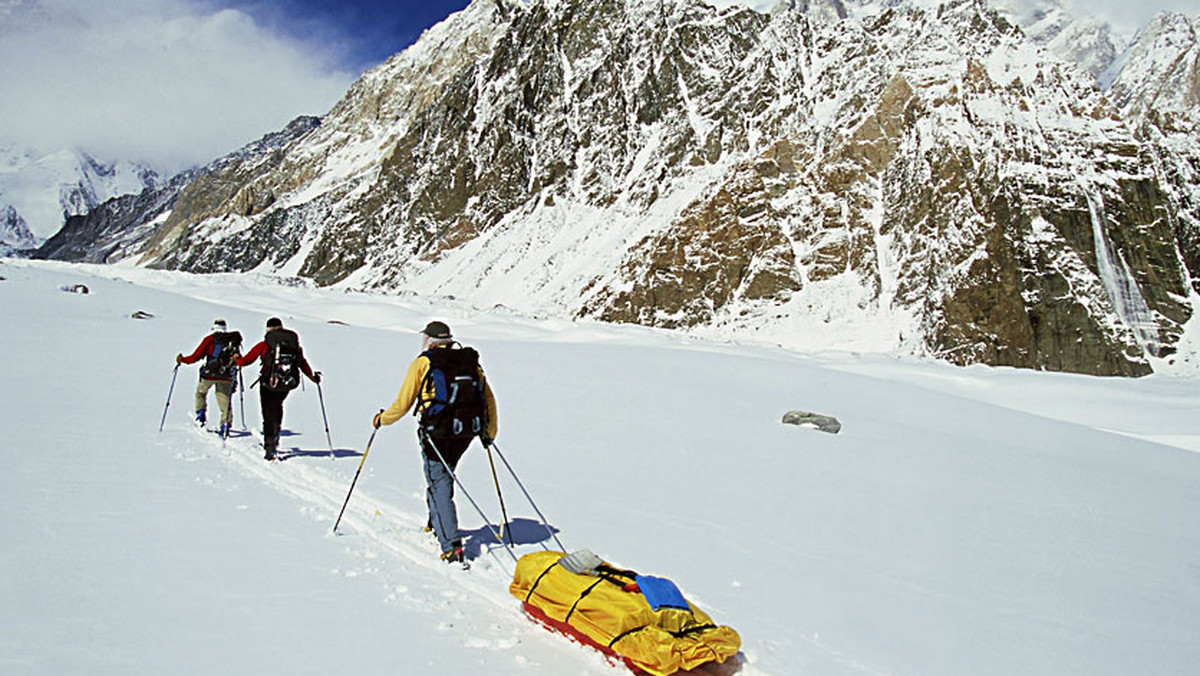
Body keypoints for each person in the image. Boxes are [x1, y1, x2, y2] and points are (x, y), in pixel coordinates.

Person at [373, 321, 498, 564]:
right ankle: (435, 521)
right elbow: (488, 398)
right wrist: (489, 432)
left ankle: (451, 544)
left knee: (438, 479)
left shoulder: (424, 362)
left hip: (436, 432)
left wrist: (382, 420)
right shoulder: (469, 362)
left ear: (429, 340)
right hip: (466, 431)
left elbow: (403, 404)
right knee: (443, 475)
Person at [237, 317, 320, 460]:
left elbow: (246, 361)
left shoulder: (265, 345)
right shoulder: (293, 346)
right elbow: (302, 363)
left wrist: (237, 359)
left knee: (268, 414)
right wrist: (312, 377)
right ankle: (276, 436)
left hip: (268, 383)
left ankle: (270, 447)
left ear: (269, 329)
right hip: (287, 384)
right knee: (278, 406)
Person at [176, 318, 242, 438]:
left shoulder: (210, 340)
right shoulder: (232, 341)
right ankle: (225, 423)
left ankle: (201, 413)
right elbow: (238, 358)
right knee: (224, 400)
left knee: (200, 393)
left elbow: (195, 356)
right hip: (225, 376)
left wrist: (182, 359)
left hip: (209, 374)